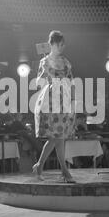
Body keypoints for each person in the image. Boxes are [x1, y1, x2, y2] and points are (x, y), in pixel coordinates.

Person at [32, 30, 76, 183]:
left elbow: (71, 82)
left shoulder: (66, 61)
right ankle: (64, 171)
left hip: (64, 99)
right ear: (53, 44)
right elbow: (38, 83)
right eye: (60, 44)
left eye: (63, 44)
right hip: (50, 100)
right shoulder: (44, 61)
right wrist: (43, 75)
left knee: (59, 137)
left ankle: (40, 166)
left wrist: (73, 100)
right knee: (57, 137)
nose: (62, 47)